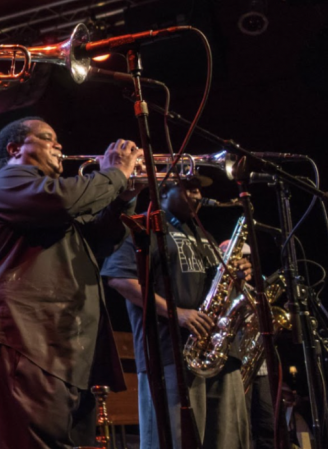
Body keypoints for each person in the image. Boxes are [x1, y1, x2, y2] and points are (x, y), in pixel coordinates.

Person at [0, 116, 143, 449]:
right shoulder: (7, 181)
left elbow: (100, 239)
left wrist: (122, 197)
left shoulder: (56, 203)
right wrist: (115, 173)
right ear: (15, 148)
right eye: (47, 138)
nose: (59, 145)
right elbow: (63, 200)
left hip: (59, 348)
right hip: (21, 338)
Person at [101, 176, 252, 449]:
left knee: (227, 441)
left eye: (199, 190)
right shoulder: (143, 226)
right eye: (190, 188)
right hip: (171, 351)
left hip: (219, 350)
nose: (197, 195)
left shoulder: (203, 234)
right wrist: (178, 313)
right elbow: (120, 279)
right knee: (176, 440)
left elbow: (217, 289)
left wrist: (237, 277)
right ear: (164, 190)